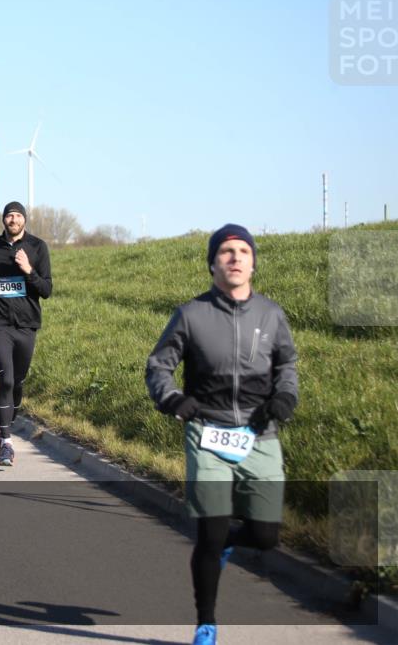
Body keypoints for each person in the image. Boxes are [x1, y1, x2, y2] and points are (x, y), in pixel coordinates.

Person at [146, 224, 298, 645]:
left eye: (242, 251)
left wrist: (284, 398)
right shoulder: (191, 315)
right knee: (209, 534)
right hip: (208, 434)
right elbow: (159, 366)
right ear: (213, 262)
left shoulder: (271, 315)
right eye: (226, 251)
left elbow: (287, 367)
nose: (235, 258)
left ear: (252, 262)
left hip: (259, 432)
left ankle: (230, 541)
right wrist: (173, 399)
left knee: (266, 537)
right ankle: (207, 624)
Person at [0, 201, 52, 467]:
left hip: (26, 323)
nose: (13, 219)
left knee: (18, 381)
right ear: (3, 220)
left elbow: (46, 289)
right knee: (6, 379)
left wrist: (28, 270)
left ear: (24, 220)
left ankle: (5, 428)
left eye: (18, 215)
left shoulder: (37, 247)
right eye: (9, 215)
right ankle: (7, 441)